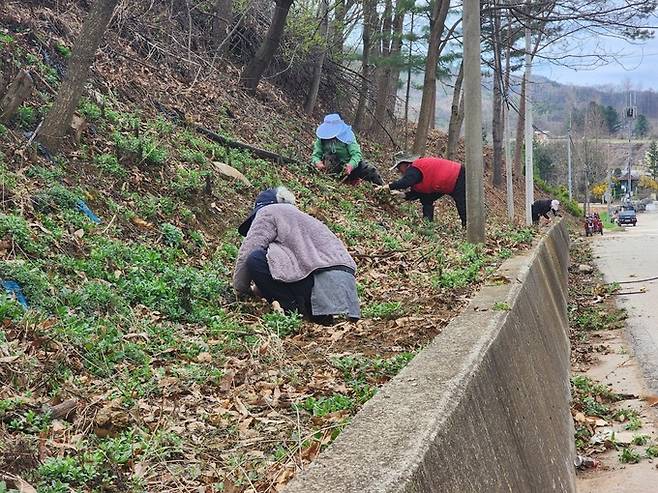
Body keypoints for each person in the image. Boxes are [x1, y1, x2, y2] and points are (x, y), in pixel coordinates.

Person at [233, 186, 360, 322]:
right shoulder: (306, 220)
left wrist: (240, 289)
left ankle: (292, 311)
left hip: (316, 281)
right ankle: (319, 316)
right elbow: (282, 264)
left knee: (255, 258)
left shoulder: (268, 211)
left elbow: (249, 251)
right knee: (269, 253)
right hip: (345, 287)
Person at [377, 153, 467, 227]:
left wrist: (388, 187)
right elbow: (419, 192)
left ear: (404, 164)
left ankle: (467, 228)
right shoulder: (418, 170)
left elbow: (406, 182)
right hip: (448, 182)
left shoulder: (414, 168)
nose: (399, 171)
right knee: (426, 198)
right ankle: (428, 223)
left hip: (458, 176)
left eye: (398, 168)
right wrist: (403, 195)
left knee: (462, 204)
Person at [311, 113, 384, 185]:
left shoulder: (347, 135)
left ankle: (383, 187)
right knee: (330, 156)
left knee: (370, 170)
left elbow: (356, 154)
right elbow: (316, 155)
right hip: (332, 167)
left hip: (350, 167)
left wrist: (350, 165)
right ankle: (333, 180)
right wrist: (318, 162)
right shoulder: (322, 138)